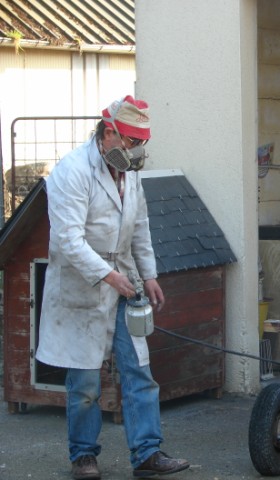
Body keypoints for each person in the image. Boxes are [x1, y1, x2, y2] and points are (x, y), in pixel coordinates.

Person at [35, 96, 189, 480]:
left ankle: (147, 453)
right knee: (85, 381)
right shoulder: (71, 172)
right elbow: (68, 239)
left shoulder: (129, 172)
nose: (137, 153)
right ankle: (84, 456)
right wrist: (107, 275)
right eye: (131, 143)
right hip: (83, 284)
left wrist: (148, 275)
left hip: (124, 282)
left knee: (138, 369)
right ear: (108, 134)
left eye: (141, 145)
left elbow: (140, 226)